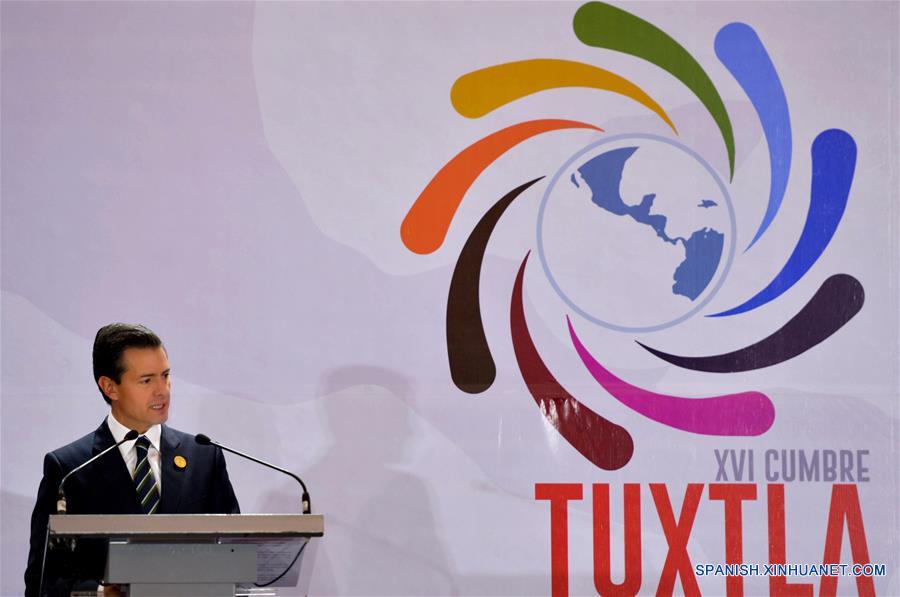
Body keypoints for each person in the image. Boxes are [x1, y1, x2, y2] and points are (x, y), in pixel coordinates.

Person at [24, 323, 240, 596]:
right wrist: (101, 593)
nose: (162, 390)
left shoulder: (203, 456)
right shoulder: (70, 469)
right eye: (147, 380)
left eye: (166, 375)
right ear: (109, 387)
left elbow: (234, 555)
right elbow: (43, 581)